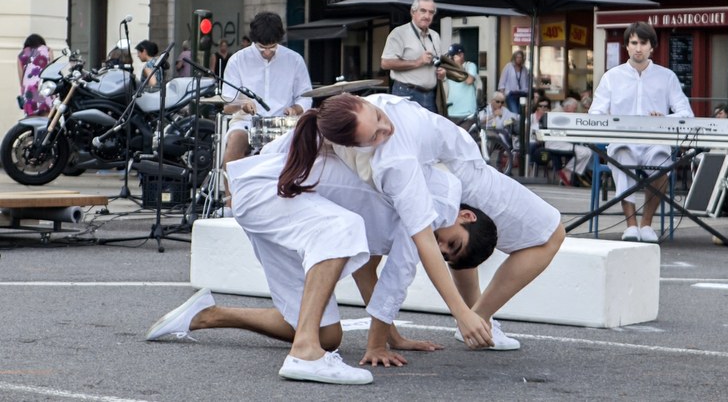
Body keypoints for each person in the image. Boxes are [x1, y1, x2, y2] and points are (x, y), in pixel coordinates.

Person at [145, 151, 497, 383]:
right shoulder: (440, 200)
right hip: (269, 189)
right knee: (344, 228)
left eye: (446, 254)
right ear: (466, 216)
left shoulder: (426, 219)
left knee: (327, 336)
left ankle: (206, 315)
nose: (440, 248)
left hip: (281, 205)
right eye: (452, 243)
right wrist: (376, 345)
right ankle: (304, 354)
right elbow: (399, 272)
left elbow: (366, 270)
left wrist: (391, 338)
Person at [279, 93, 566, 351]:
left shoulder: (336, 124)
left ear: (359, 99)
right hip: (460, 172)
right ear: (356, 144)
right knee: (553, 232)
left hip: (444, 171)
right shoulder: (397, 163)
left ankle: (477, 319)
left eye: (378, 118)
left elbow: (372, 268)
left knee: (452, 241)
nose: (386, 129)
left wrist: (390, 340)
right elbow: (418, 250)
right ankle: (478, 318)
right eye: (375, 136)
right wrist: (463, 315)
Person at [589, 21, 693, 243]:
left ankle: (646, 224)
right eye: (634, 43)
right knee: (622, 154)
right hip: (622, 141)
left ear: (651, 47)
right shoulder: (611, 77)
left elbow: (686, 113)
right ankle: (631, 226)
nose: (638, 48)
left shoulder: (667, 77)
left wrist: (664, 120)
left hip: (654, 142)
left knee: (662, 158)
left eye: (643, 43)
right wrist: (612, 121)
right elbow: (595, 113)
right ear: (626, 46)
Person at [220, 12, 312, 203]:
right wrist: (242, 105)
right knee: (235, 141)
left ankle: (292, 198)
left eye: (272, 47)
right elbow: (227, 104)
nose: (268, 52)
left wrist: (295, 109)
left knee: (306, 143)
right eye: (262, 48)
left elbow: (305, 97)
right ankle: (231, 202)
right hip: (247, 121)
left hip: (283, 123)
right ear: (254, 41)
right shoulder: (238, 60)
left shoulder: (294, 59)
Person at [381, 0, 447, 113]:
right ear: (413, 12)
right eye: (423, 11)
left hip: (431, 95)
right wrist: (418, 62)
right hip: (406, 93)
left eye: (431, 12)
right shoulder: (399, 33)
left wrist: (441, 73)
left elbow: (437, 62)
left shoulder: (435, 36)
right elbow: (385, 63)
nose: (427, 16)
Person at [544, 97, 593, 187]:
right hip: (555, 143)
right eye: (574, 109)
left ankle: (569, 172)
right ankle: (567, 171)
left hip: (560, 142)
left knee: (587, 151)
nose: (574, 111)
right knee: (586, 152)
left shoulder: (561, 112)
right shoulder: (559, 113)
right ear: (567, 107)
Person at [17, 34, 53, 116]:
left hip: (29, 92)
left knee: (32, 120)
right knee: (46, 119)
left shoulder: (21, 55)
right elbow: (51, 70)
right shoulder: (48, 50)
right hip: (44, 89)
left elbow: (21, 79)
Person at [445, 43, 481, 123]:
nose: (451, 59)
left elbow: (469, 81)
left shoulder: (470, 66)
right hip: (451, 111)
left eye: (453, 56)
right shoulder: (448, 68)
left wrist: (458, 66)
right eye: (450, 57)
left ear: (461, 55)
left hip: (468, 112)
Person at [498, 50, 529, 114]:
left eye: (520, 57)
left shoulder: (524, 69)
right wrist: (502, 95)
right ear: (514, 58)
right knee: (514, 112)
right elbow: (502, 81)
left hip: (522, 94)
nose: (519, 59)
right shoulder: (508, 67)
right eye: (517, 57)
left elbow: (526, 83)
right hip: (511, 94)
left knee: (521, 113)